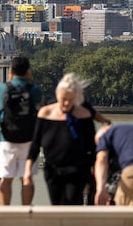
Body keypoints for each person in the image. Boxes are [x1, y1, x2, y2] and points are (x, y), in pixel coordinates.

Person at [25, 73, 95, 205]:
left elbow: (92, 148)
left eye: (71, 99)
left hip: (77, 170)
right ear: (57, 96)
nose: (67, 103)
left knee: (72, 203)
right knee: (56, 206)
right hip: (52, 170)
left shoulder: (84, 116)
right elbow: (35, 144)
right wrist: (28, 170)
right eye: (64, 99)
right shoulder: (45, 113)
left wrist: (94, 176)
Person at [0, 55, 43, 205]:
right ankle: (26, 210)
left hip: (6, 139)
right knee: (26, 178)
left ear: (10, 70)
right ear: (28, 71)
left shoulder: (1, 88)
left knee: (5, 179)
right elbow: (39, 101)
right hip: (29, 139)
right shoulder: (34, 89)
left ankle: (5, 211)